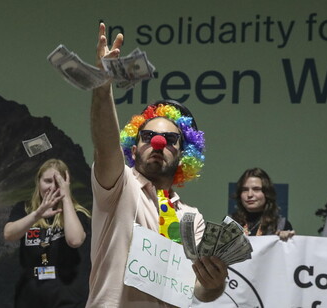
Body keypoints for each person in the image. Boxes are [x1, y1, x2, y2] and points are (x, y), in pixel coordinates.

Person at [86, 23, 227, 308]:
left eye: (170, 139)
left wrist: (214, 284)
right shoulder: (119, 186)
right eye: (148, 136)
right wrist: (103, 90)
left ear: (184, 153)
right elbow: (105, 146)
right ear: (134, 146)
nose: (159, 143)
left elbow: (199, 290)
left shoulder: (192, 218)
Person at [4, 159, 91, 308]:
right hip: (30, 299)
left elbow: (75, 240)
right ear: (38, 182)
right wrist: (36, 215)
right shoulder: (24, 209)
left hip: (68, 299)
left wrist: (66, 197)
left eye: (58, 183)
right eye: (48, 181)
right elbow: (9, 234)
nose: (52, 187)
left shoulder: (78, 214)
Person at [232, 168, 295, 241]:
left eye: (256, 189)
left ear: (267, 193)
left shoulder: (281, 225)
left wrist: (287, 240)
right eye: (245, 190)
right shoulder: (230, 224)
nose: (249, 194)